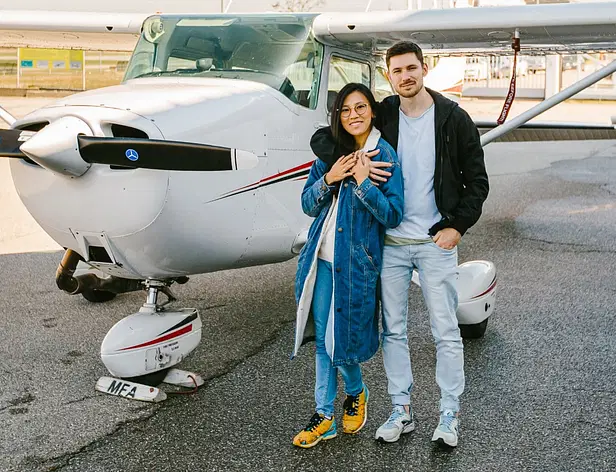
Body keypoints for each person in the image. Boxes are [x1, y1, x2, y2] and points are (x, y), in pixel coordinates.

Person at [310, 42, 489, 448]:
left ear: (425, 69)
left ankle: (449, 414)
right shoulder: (384, 113)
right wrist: (358, 163)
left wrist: (457, 227)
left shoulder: (453, 119)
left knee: (445, 331)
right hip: (388, 242)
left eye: (412, 68)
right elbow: (327, 138)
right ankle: (401, 410)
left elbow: (477, 182)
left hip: (434, 240)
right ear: (388, 75)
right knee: (393, 330)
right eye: (397, 71)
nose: (405, 76)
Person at [292, 83, 404, 448]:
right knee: (323, 342)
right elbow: (308, 204)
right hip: (321, 260)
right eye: (345, 110)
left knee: (338, 339)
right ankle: (325, 416)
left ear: (372, 111)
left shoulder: (384, 154)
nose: (353, 115)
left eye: (360, 108)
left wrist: (361, 183)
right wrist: (330, 178)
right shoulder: (332, 153)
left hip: (355, 265)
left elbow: (393, 214)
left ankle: (356, 391)